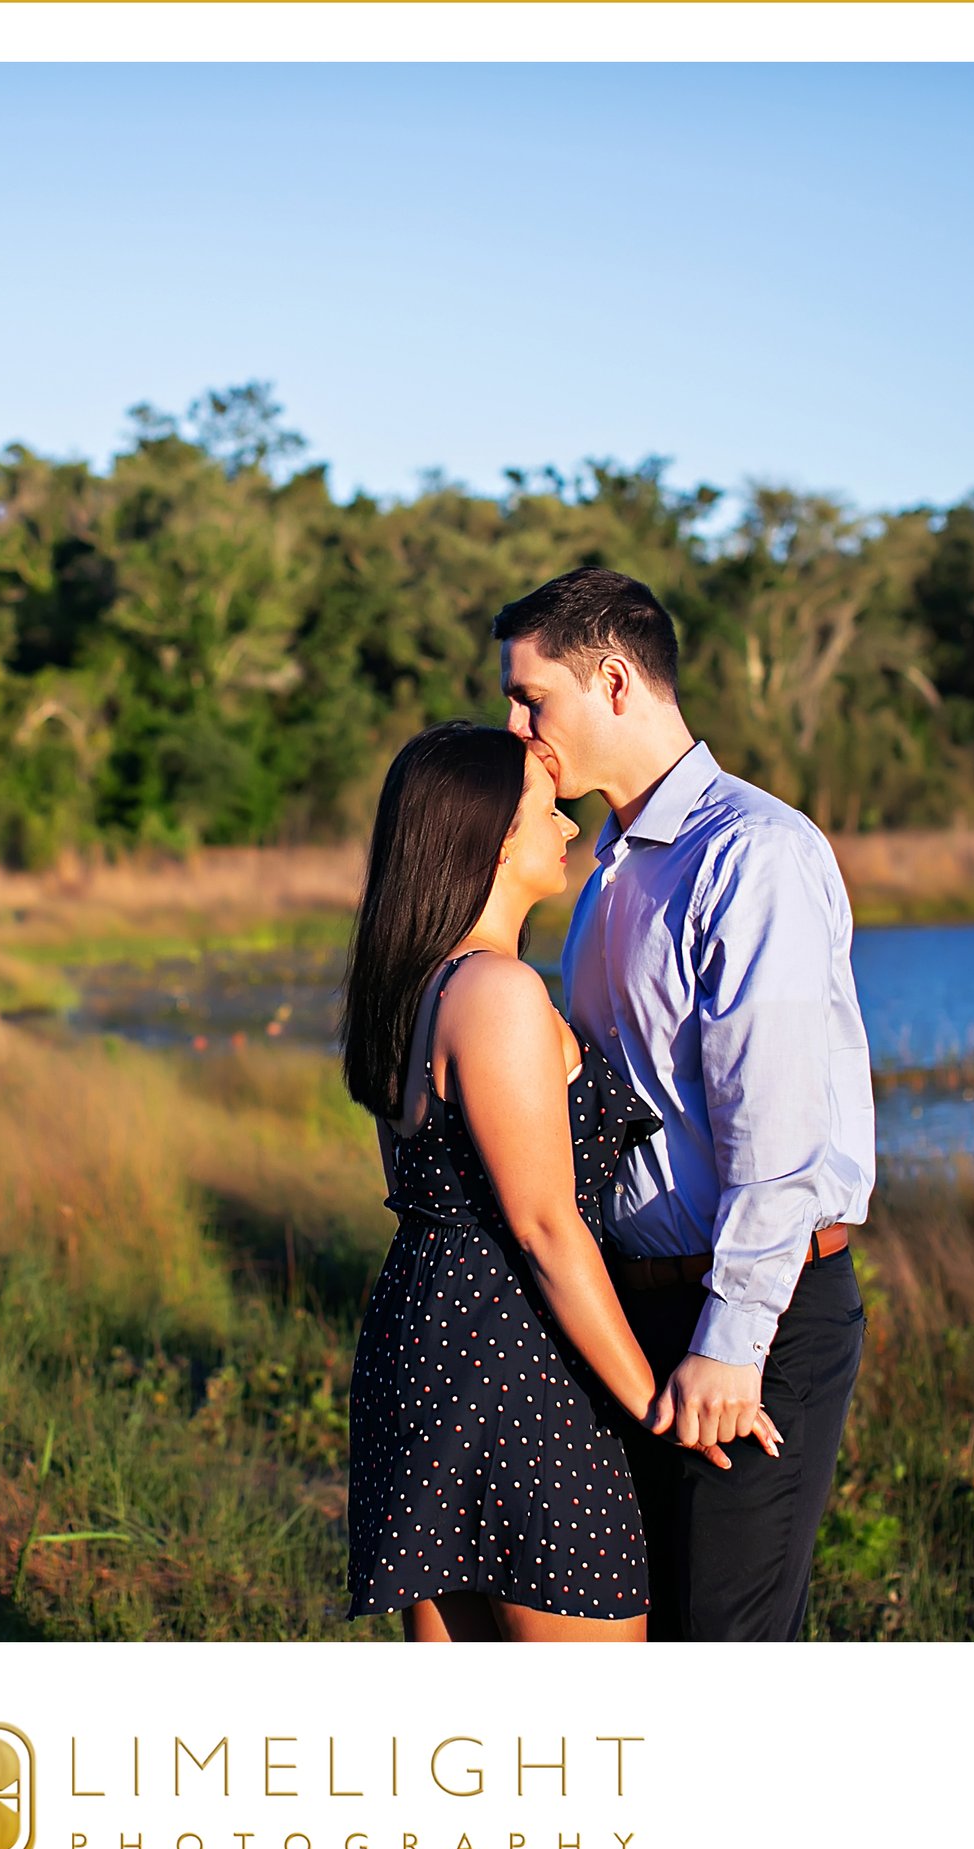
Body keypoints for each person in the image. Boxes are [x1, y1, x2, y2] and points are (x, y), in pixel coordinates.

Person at [494, 565, 877, 1643]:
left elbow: (783, 1142)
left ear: (614, 681)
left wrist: (729, 1342)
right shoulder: (609, 861)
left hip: (749, 1311)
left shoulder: (752, 856)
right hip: (634, 1309)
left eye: (534, 699)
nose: (519, 727)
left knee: (725, 1646)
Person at [337, 720, 781, 1643]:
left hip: (425, 1345)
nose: (570, 829)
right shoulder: (495, 993)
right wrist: (659, 1404)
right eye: (547, 811)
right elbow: (546, 1229)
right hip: (511, 1364)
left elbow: (427, 1199)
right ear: (495, 837)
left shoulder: (411, 988)